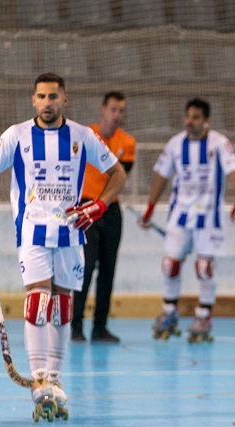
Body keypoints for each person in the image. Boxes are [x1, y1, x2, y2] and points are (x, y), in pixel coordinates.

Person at [0, 73, 126, 417]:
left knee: (64, 307)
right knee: (39, 300)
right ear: (32, 100)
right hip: (32, 231)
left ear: (64, 99)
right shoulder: (17, 135)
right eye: (41, 96)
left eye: (54, 96)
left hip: (71, 232)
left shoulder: (84, 136)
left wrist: (100, 204)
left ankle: (55, 377)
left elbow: (118, 174)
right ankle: (38, 378)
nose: (47, 102)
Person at [139, 98, 235, 343]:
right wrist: (149, 208)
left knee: (204, 268)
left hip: (208, 216)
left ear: (206, 120)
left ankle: (204, 316)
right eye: (188, 116)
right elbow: (161, 176)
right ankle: (169, 312)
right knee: (169, 264)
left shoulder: (219, 143)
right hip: (179, 215)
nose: (190, 121)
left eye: (196, 117)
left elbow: (234, 171)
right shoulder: (175, 144)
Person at [72, 91, 136, 344]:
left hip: (110, 209)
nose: (117, 115)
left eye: (121, 111)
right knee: (85, 268)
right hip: (85, 207)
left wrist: (104, 200)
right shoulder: (84, 136)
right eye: (113, 109)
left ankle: (100, 328)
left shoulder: (127, 143)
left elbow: (119, 178)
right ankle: (75, 326)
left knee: (108, 271)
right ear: (103, 110)